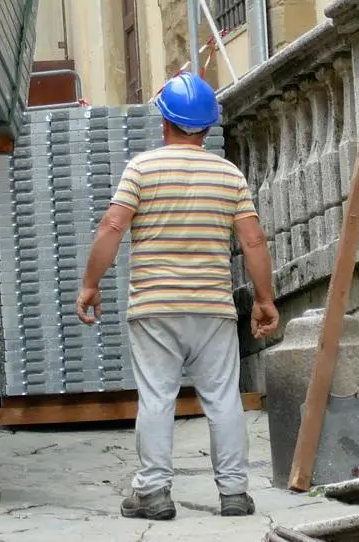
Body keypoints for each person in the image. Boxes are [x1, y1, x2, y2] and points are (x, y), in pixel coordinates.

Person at [77, 72, 280, 522]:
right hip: (212, 307)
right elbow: (253, 240)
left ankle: (153, 492)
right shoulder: (229, 176)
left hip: (154, 307)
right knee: (223, 397)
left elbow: (113, 226)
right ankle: (233, 493)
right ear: (208, 127)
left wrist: (90, 284)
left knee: (157, 398)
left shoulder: (141, 168)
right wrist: (265, 299)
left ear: (163, 121)